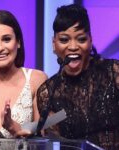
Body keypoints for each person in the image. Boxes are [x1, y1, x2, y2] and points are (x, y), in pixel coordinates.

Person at [37, 4, 119, 150]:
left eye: (81, 39)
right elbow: (53, 122)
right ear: (54, 44)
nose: (73, 46)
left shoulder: (114, 72)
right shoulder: (49, 91)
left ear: (90, 41)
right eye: (64, 40)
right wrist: (19, 127)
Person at [0, 10, 47, 138]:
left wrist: (16, 128)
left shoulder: (36, 79)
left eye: (6, 39)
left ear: (18, 42)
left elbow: (46, 129)